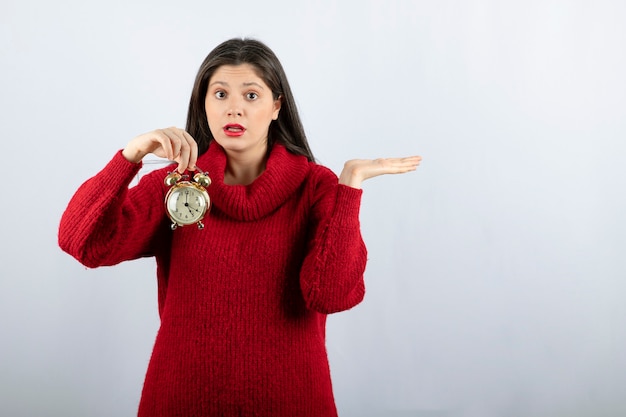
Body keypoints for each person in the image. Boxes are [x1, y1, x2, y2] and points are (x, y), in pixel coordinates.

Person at [58, 38, 422, 417]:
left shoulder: (317, 187)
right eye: (219, 94)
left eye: (251, 95)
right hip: (180, 399)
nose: (234, 108)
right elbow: (82, 243)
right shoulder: (176, 184)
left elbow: (331, 295)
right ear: (203, 103)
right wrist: (130, 156)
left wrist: (349, 186)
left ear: (276, 106)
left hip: (293, 401)